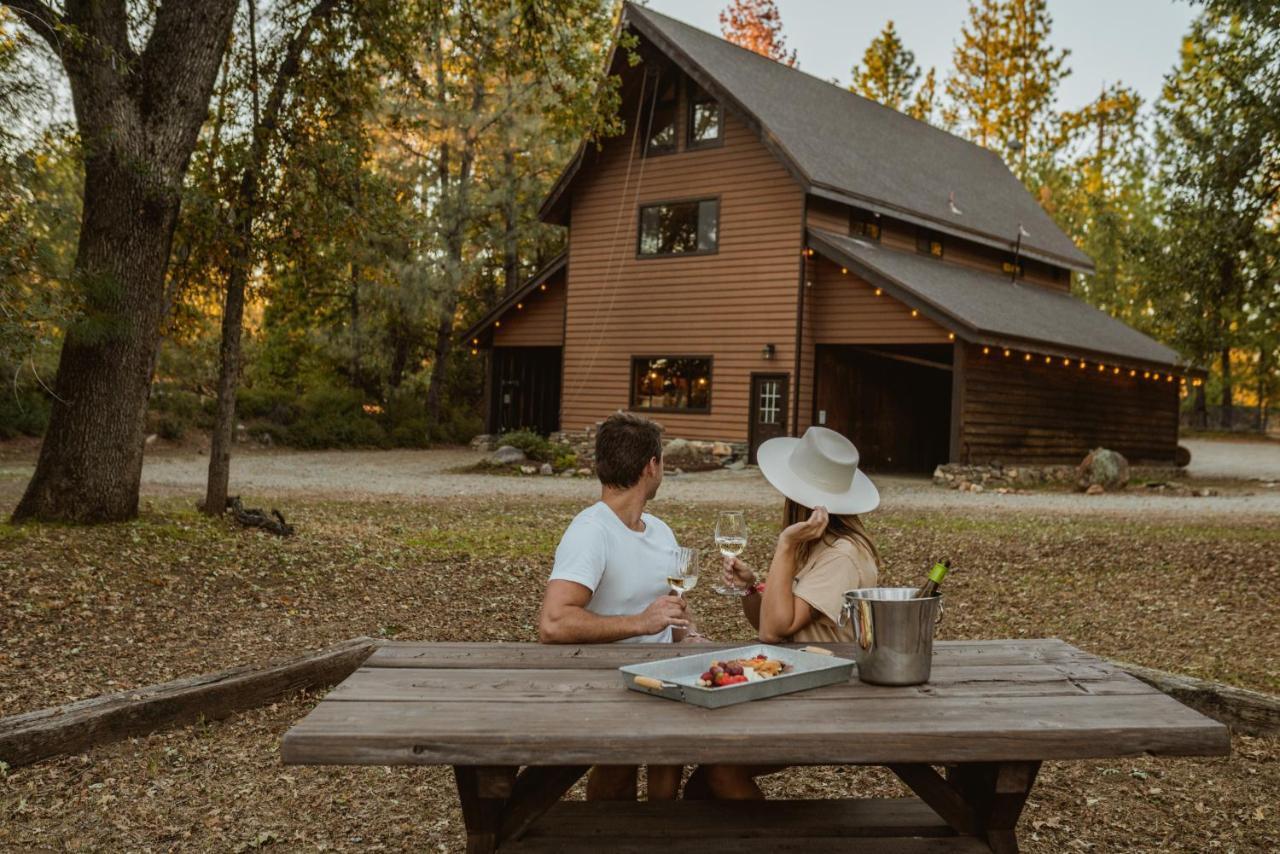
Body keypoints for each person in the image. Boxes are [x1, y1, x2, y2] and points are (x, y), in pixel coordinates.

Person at [689, 426, 881, 799]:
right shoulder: (820, 544)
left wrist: (785, 543)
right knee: (703, 769)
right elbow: (773, 621)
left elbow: (773, 632)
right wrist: (751, 587)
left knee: (719, 772)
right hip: (794, 679)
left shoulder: (840, 555)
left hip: (821, 695)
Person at [538, 411, 696, 801]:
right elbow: (554, 623)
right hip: (607, 682)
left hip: (666, 680)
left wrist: (689, 633)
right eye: (662, 463)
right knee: (618, 769)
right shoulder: (590, 532)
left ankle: (663, 828)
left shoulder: (661, 530)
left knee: (672, 750)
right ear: (651, 467)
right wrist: (641, 623)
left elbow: (674, 608)